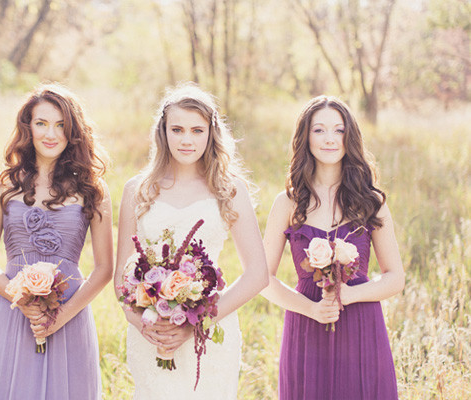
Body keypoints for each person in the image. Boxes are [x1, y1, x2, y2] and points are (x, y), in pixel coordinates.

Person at [114, 83, 269, 399]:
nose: (187, 140)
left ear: (211, 133)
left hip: (208, 332)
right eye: (177, 129)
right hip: (153, 333)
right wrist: (143, 323)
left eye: (197, 130)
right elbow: (120, 278)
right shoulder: (137, 190)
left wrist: (194, 324)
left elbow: (258, 275)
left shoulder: (229, 190)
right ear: (163, 132)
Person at [261, 95, 405, 399]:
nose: (329, 139)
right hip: (306, 326)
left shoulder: (371, 201)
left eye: (339, 130)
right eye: (319, 130)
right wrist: (312, 310)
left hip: (361, 325)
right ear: (305, 137)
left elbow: (395, 277)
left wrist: (350, 294)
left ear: (349, 137)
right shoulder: (287, 202)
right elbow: (262, 279)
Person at [0, 83, 113, 399]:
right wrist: (22, 300)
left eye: (61, 125)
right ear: (28, 127)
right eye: (41, 123)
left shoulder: (93, 189)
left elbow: (105, 268)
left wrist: (60, 317)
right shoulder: (3, 185)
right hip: (15, 313)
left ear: (73, 131)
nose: (51, 134)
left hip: (70, 314)